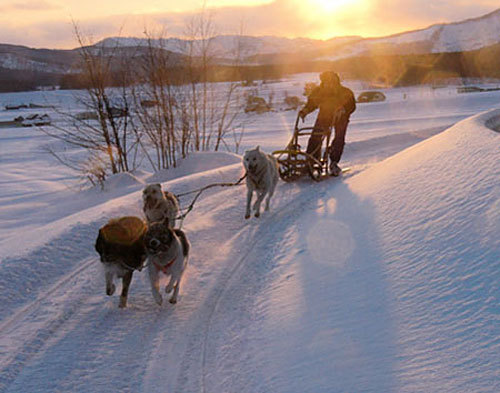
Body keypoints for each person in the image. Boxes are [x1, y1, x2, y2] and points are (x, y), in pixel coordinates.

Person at [298, 71, 356, 176]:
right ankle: (311, 160)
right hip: (324, 116)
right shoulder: (319, 91)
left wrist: (343, 109)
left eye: (331, 82)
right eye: (326, 82)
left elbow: (351, 106)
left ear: (336, 81)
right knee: (315, 137)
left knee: (339, 139)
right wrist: (305, 110)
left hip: (341, 118)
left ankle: (334, 162)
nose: (328, 84)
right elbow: (311, 103)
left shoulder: (345, 92)